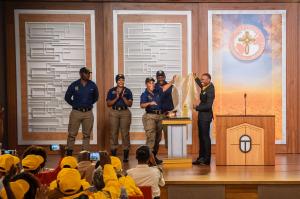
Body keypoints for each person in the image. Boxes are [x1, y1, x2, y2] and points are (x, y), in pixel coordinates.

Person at [140, 76, 175, 164]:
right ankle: (148, 160)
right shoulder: (144, 94)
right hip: (150, 117)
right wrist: (150, 103)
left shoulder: (157, 91)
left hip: (160, 116)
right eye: (149, 83)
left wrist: (172, 81)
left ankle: (153, 157)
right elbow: (142, 105)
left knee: (157, 139)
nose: (151, 84)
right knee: (151, 138)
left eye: (152, 83)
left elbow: (164, 87)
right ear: (146, 84)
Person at [65, 67, 99, 155]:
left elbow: (96, 97)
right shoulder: (74, 85)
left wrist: (87, 104)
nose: (88, 75)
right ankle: (69, 153)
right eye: (86, 73)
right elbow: (67, 97)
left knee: (87, 135)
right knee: (72, 134)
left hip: (88, 113)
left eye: (89, 73)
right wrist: (75, 104)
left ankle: (85, 154)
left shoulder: (92, 85)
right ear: (81, 74)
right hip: (76, 112)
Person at [106, 74, 133, 162]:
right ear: (116, 81)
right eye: (119, 80)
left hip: (125, 112)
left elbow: (130, 104)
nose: (121, 82)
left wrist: (123, 97)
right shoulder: (111, 91)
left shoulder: (128, 91)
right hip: (114, 112)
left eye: (122, 80)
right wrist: (117, 97)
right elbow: (109, 104)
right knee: (114, 133)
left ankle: (125, 156)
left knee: (125, 133)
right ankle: (114, 155)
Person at [192, 73, 215, 166]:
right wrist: (195, 77)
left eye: (203, 79)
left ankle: (206, 159)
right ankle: (201, 158)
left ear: (209, 80)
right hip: (202, 116)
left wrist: (197, 107)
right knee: (201, 138)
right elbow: (200, 84)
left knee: (205, 138)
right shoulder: (205, 86)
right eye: (201, 79)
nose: (202, 81)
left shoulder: (210, 90)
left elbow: (208, 106)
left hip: (206, 117)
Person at [155, 70, 175, 149]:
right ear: (156, 78)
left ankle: (170, 154)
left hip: (169, 114)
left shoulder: (171, 86)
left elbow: (176, 97)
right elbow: (162, 90)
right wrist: (172, 81)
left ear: (164, 77)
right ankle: (154, 154)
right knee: (157, 135)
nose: (160, 78)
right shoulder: (154, 86)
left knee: (169, 135)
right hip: (158, 115)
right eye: (159, 77)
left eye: (162, 77)